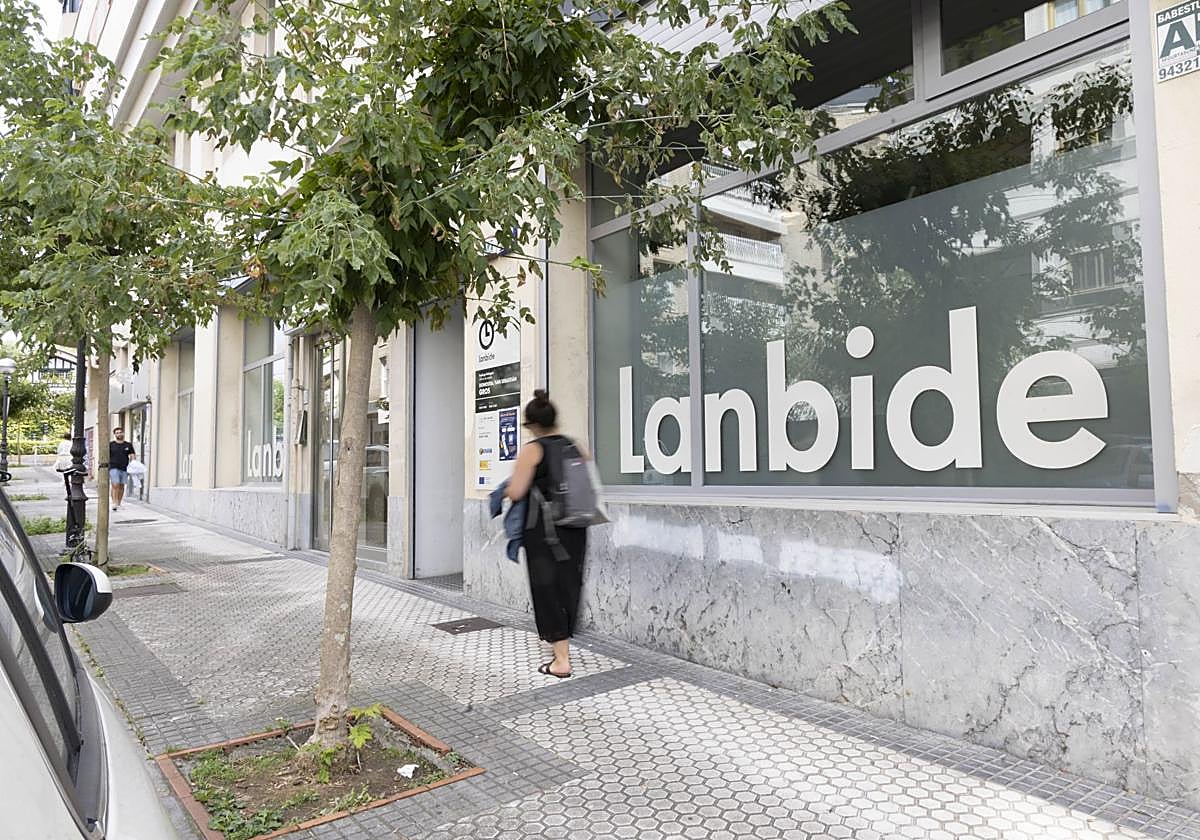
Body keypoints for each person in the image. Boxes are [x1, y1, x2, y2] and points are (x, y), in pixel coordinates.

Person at [505, 390, 589, 679]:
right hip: (576, 528)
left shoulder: (532, 449)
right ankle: (561, 645)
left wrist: (506, 489)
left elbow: (516, 490)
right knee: (568, 586)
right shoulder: (575, 445)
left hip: (544, 533)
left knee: (547, 591)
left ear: (532, 425)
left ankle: (561, 661)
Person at [108, 427, 136, 511]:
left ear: (123, 433)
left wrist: (133, 464)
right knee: (115, 484)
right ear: (115, 434)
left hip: (125, 468)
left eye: (120, 432)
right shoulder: (111, 444)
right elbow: (106, 455)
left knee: (121, 486)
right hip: (113, 467)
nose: (119, 434)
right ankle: (114, 503)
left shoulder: (128, 445)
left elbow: (132, 455)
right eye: (117, 433)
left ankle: (119, 503)